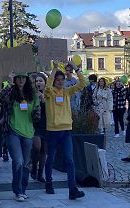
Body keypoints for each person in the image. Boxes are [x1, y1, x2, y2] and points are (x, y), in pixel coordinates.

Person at [44, 61, 85, 200]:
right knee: (50, 158)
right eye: (58, 79)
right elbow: (47, 86)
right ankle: (48, 183)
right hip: (53, 131)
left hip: (66, 130)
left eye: (62, 79)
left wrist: (75, 68)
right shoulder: (49, 92)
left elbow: (82, 84)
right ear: (54, 80)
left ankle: (72, 189)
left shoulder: (67, 92)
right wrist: (54, 69)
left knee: (69, 160)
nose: (60, 82)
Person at [0, 72, 40, 202]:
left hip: (28, 132)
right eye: (19, 78)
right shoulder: (11, 91)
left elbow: (37, 114)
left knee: (26, 163)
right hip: (13, 131)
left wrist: (37, 112)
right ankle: (17, 191)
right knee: (18, 161)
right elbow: (3, 99)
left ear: (27, 79)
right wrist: (10, 84)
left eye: (23, 77)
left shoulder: (32, 94)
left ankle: (23, 189)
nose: (21, 80)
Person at [30, 72, 47, 182]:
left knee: (44, 150)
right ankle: (34, 167)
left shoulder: (48, 94)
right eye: (37, 81)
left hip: (46, 124)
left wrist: (44, 100)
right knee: (37, 147)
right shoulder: (32, 95)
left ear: (45, 83)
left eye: (41, 81)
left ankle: (41, 173)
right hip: (35, 125)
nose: (38, 83)